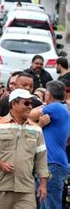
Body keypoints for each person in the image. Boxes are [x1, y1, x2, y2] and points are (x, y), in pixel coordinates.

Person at [0, 89, 50, 208]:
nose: (30, 107)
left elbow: (41, 158)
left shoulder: (36, 129)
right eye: (26, 103)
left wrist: (43, 184)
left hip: (26, 189)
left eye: (31, 103)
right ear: (13, 104)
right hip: (0, 188)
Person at [29, 80, 70, 208]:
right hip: (52, 163)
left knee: (50, 204)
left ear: (48, 94)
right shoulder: (61, 109)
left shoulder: (56, 107)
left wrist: (42, 104)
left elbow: (28, 115)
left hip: (52, 164)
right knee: (44, 203)